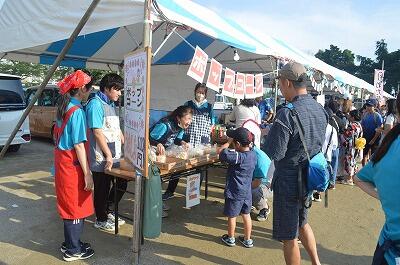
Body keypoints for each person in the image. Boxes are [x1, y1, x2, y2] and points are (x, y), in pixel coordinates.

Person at [264, 62, 327, 265]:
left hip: (289, 180)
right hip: (309, 177)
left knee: (289, 236)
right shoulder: (319, 109)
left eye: (280, 84)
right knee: (302, 223)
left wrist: (267, 135)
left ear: (287, 82)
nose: (280, 89)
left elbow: (275, 151)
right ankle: (317, 262)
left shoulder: (287, 112)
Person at [354, 93, 400, 265]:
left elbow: (358, 178)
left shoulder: (386, 150)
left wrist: (385, 195)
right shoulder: (372, 117)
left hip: (388, 248)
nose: (368, 107)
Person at [54, 70, 95, 261]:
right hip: (73, 166)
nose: (89, 91)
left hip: (63, 164)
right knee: (76, 208)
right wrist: (87, 173)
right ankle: (73, 250)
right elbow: (79, 144)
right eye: (88, 88)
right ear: (80, 89)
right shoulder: (77, 111)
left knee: (68, 205)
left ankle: (70, 243)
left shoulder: (64, 106)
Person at [85, 73, 126, 232]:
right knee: (102, 188)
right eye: (118, 90)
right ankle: (100, 219)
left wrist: (123, 138)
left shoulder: (110, 102)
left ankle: (107, 210)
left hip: (114, 153)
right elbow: (97, 132)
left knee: (121, 183)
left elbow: (113, 127)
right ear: (108, 88)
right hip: (101, 156)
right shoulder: (95, 104)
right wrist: (108, 155)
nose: (120, 93)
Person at [218, 127, 256, 248]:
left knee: (232, 215)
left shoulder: (238, 157)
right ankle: (247, 239)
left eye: (234, 141)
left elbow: (222, 153)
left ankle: (230, 238)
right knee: (246, 214)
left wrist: (227, 143)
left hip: (235, 192)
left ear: (238, 144)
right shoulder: (252, 154)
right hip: (247, 191)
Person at [150, 106, 192, 202]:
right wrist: (158, 143)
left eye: (191, 119)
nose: (189, 122)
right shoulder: (165, 125)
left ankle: (169, 193)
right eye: (188, 119)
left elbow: (177, 140)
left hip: (164, 151)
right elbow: (149, 137)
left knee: (178, 168)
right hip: (153, 151)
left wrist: (182, 142)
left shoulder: (181, 126)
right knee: (157, 176)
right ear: (178, 118)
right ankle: (155, 202)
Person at [184, 83, 215, 147]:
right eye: (198, 92)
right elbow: (182, 119)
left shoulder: (209, 107)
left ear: (205, 95)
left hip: (203, 139)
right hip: (189, 137)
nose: (200, 95)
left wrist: (209, 130)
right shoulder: (188, 104)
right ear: (195, 92)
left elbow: (212, 122)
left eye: (202, 93)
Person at [313, 122, 338, 202]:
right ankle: (318, 194)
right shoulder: (332, 129)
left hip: (315, 155)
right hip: (327, 155)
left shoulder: (316, 125)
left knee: (312, 173)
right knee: (323, 174)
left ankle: (311, 194)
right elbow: (335, 145)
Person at [338, 110, 363, 186]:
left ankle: (349, 179)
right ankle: (353, 177)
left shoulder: (351, 126)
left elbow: (346, 136)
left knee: (349, 161)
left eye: (349, 115)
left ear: (353, 117)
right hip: (357, 145)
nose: (348, 116)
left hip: (350, 147)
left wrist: (341, 135)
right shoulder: (359, 125)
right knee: (353, 161)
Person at [251, 146, 272, 221]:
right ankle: (250, 203)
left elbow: (256, 183)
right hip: (257, 180)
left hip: (268, 185)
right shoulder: (249, 151)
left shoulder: (259, 159)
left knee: (252, 191)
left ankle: (265, 208)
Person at [361, 98, 383, 166]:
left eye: (370, 106)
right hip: (366, 137)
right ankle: (363, 169)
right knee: (364, 155)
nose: (368, 107)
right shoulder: (365, 115)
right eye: (367, 105)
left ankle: (372, 170)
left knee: (373, 157)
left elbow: (380, 128)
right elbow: (362, 126)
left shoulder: (377, 116)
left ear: (374, 106)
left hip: (375, 139)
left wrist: (373, 140)